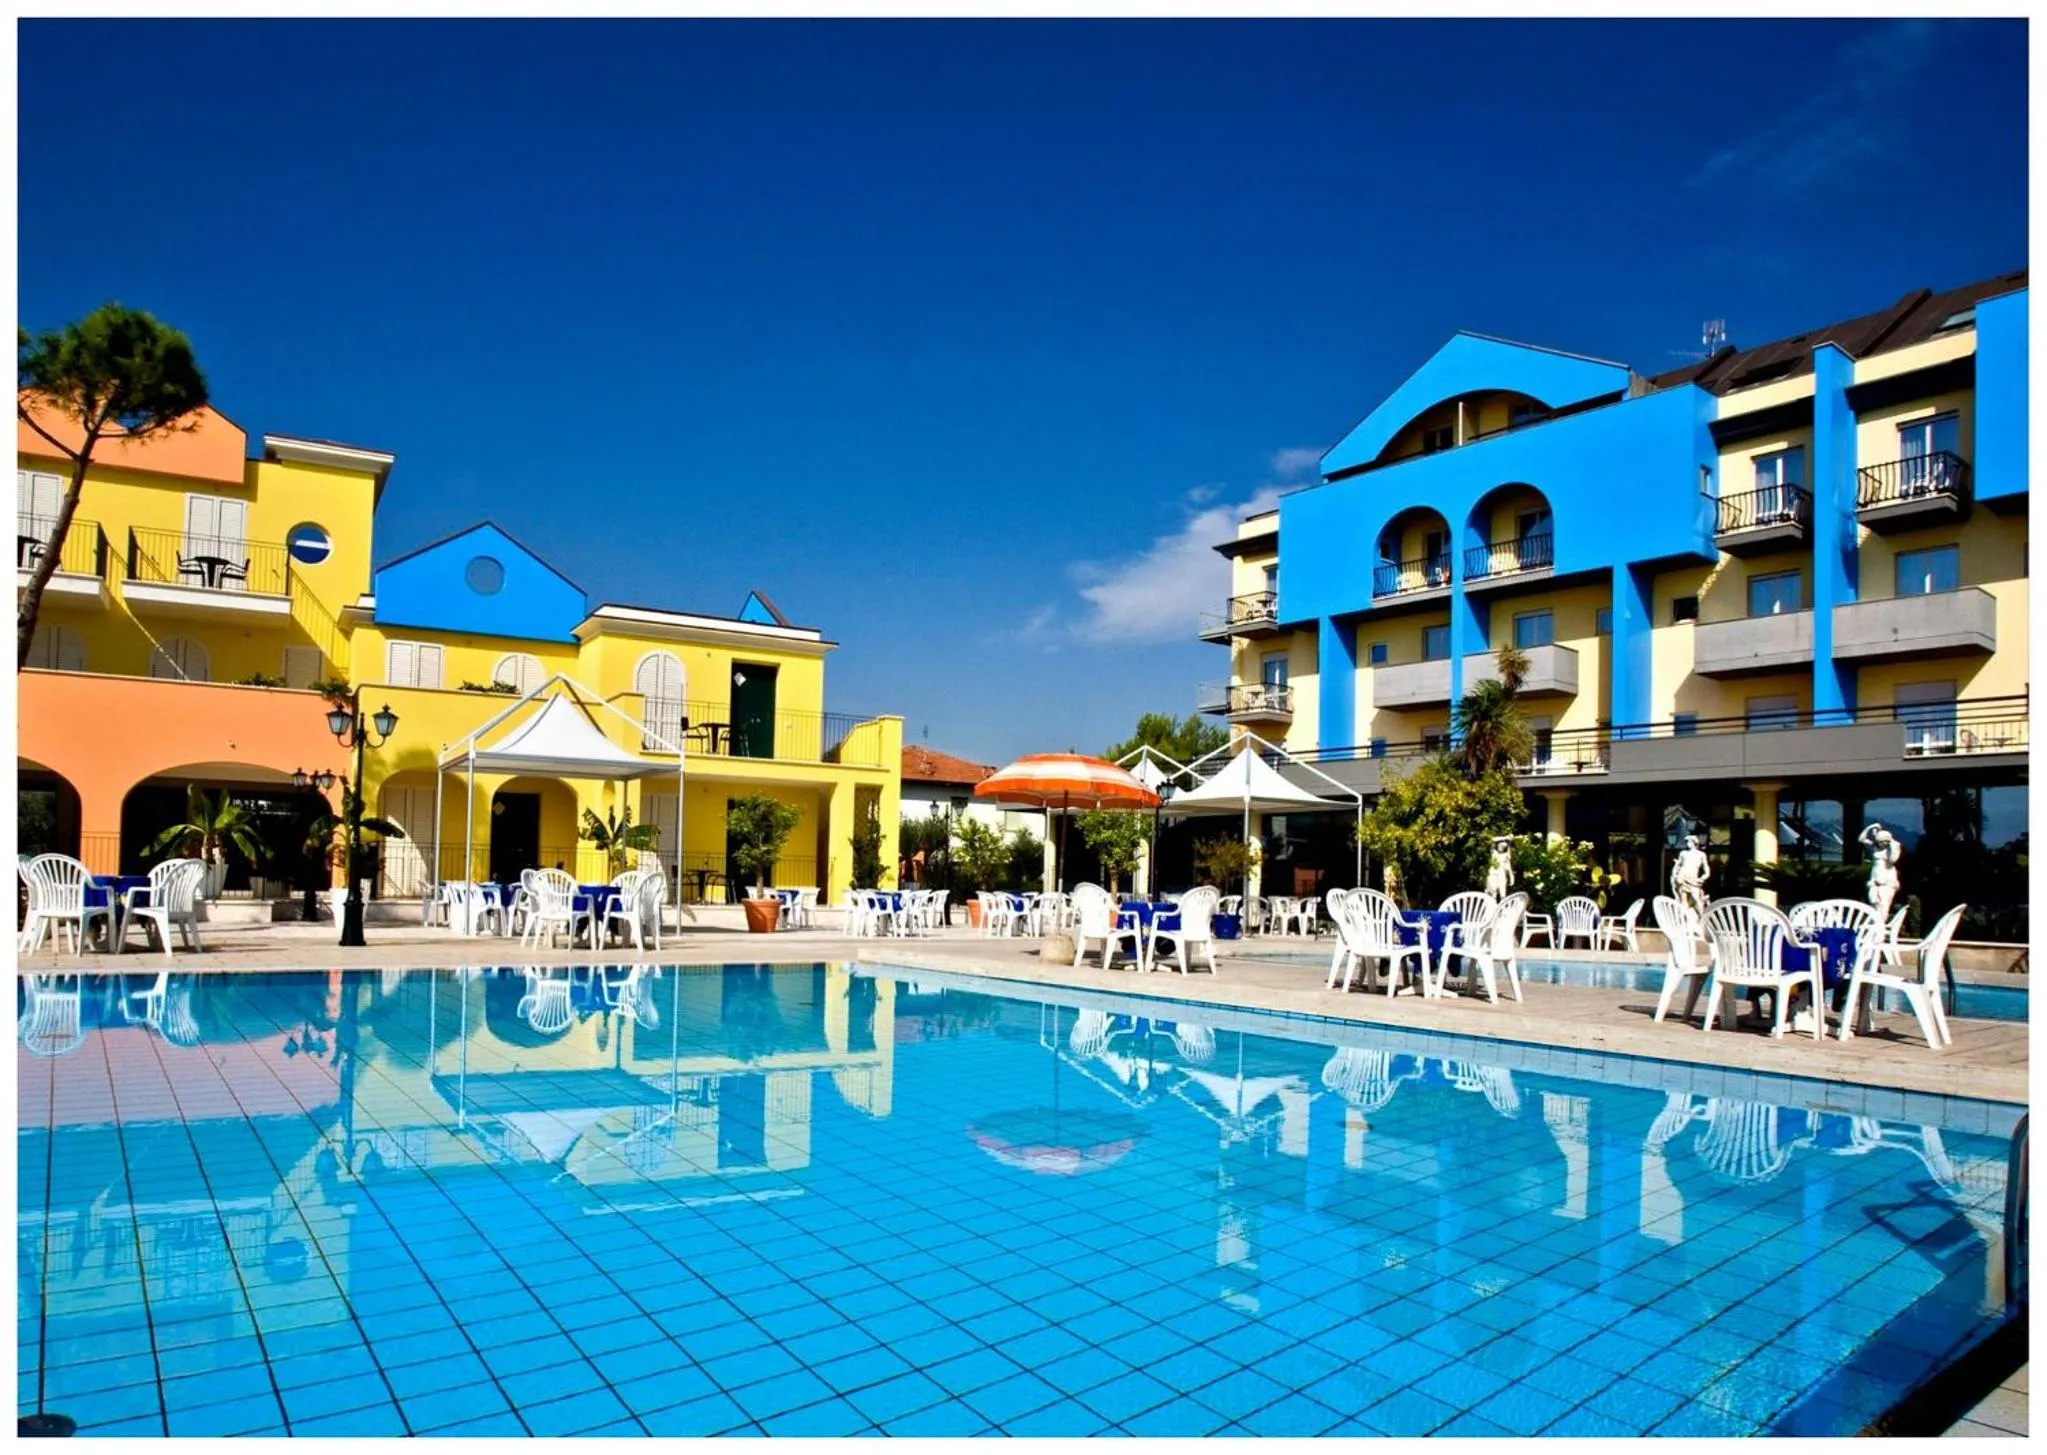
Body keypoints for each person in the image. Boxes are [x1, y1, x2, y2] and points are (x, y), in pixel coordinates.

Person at [1860, 823, 1902, 924]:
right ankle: (1874, 926)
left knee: (1884, 905)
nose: (1881, 844)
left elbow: (1893, 860)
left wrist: (1892, 843)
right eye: (1880, 842)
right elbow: (1861, 839)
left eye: (1884, 842)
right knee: (1873, 903)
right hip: (1875, 879)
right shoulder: (1875, 847)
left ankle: (1879, 927)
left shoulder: (1892, 848)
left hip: (1886, 880)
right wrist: (1869, 828)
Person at [1671, 833, 1710, 923]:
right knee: (1683, 899)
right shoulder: (1683, 853)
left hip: (1693, 879)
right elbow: (1678, 865)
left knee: (1696, 898)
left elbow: (1706, 868)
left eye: (1689, 841)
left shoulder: (1701, 855)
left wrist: (1703, 877)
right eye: (1687, 842)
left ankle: (1703, 918)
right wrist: (1675, 874)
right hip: (1683, 877)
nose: (1687, 843)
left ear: (1693, 843)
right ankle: (1685, 919)